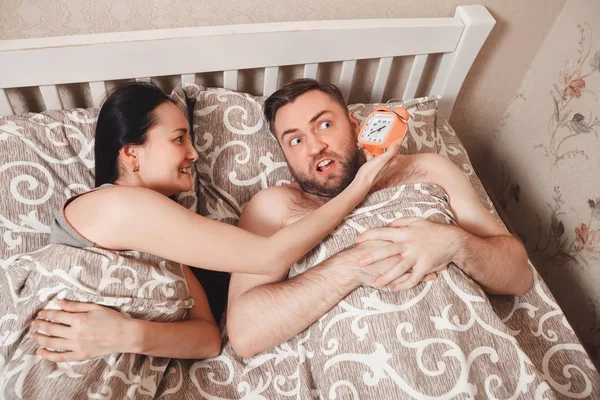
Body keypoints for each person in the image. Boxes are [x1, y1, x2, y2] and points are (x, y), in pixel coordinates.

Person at [29, 81, 405, 362]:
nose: (193, 154)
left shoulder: (163, 243)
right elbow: (269, 256)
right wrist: (362, 184)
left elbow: (208, 339)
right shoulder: (117, 205)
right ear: (131, 154)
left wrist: (128, 335)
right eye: (179, 139)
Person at [226, 78, 533, 357]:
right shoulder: (274, 207)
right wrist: (352, 267)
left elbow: (518, 276)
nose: (315, 147)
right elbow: (244, 334)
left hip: (474, 351)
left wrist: (453, 242)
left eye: (323, 125)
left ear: (353, 124)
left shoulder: (428, 170)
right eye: (295, 140)